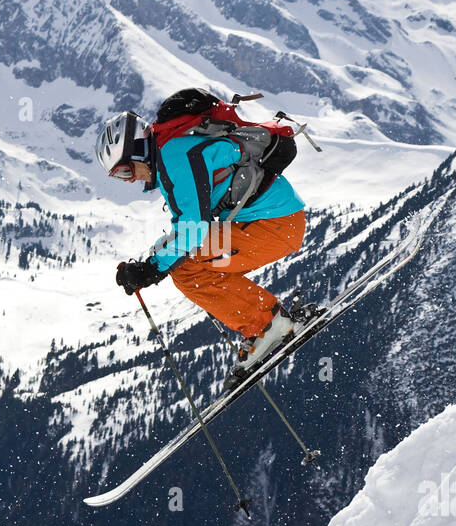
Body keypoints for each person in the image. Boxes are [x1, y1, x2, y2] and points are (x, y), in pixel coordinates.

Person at [95, 89, 306, 381]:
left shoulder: (173, 156)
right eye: (119, 177)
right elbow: (189, 228)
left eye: (124, 170)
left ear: (138, 150)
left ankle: (268, 326)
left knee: (189, 268)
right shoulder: (174, 150)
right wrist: (152, 263)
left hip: (272, 226)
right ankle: (268, 323)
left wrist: (151, 268)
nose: (129, 179)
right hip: (278, 222)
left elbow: (192, 229)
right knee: (188, 263)